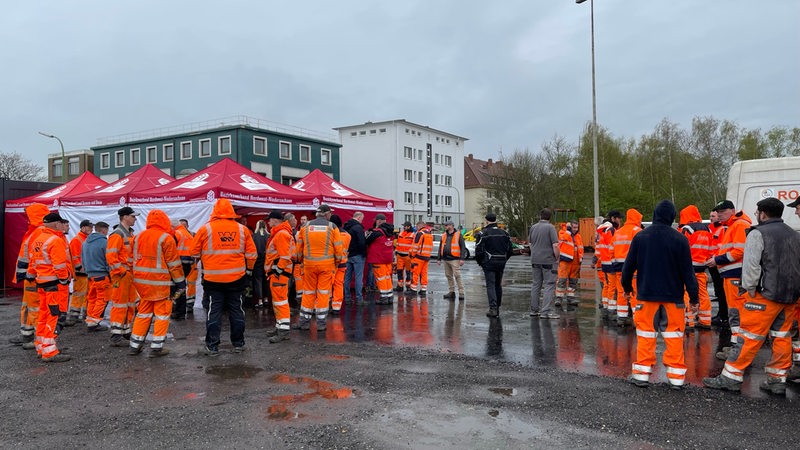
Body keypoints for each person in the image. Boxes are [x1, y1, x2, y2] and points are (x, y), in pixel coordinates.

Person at [703, 197, 800, 395]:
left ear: (763, 213)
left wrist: (749, 289)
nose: (756, 215)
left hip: (765, 295)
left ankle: (731, 377)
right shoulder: (794, 234)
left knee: (749, 336)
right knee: (782, 337)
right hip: (790, 295)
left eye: (757, 212)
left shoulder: (758, 233)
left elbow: (751, 265)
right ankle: (777, 380)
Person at [623, 200, 698, 389]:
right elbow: (688, 273)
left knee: (646, 336)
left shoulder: (641, 237)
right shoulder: (680, 239)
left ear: (655, 214)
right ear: (672, 217)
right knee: (674, 338)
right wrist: (694, 297)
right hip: (674, 299)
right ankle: (676, 378)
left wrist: (626, 288)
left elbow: (628, 267)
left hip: (647, 297)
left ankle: (641, 376)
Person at [192, 199, 257, 356]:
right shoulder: (242, 230)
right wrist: (249, 271)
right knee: (237, 309)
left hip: (213, 280)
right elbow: (252, 254)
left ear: (215, 211)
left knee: (214, 311)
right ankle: (238, 344)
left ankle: (212, 346)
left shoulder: (205, 229)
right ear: (231, 212)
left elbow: (194, 253)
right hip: (237, 278)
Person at [128, 210, 186, 357]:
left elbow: (130, 260)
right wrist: (180, 283)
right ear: (164, 221)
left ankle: (134, 345)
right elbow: (174, 264)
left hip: (141, 283)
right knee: (162, 314)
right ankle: (156, 347)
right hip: (160, 283)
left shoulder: (137, 237)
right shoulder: (166, 238)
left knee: (143, 313)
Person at [705, 200, 752, 360]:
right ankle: (735, 346)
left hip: (735, 275)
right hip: (731, 274)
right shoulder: (733, 225)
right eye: (718, 212)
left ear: (732, 210)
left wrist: (718, 260)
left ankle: (737, 348)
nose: (719, 215)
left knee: (736, 311)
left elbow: (740, 250)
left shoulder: (738, 225)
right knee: (735, 311)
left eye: (723, 212)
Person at [29, 212, 74, 362]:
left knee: (44, 315)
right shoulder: (55, 240)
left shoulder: (38, 239)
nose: (63, 225)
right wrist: (63, 280)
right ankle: (50, 351)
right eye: (62, 223)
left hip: (42, 283)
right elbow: (59, 265)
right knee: (54, 316)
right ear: (56, 224)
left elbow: (33, 263)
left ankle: (41, 346)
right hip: (55, 286)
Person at [294, 204, 345, 331]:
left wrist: (300, 260)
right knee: (323, 293)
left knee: (308, 292)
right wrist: (337, 261)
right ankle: (321, 323)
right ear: (327, 214)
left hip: (309, 265)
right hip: (326, 266)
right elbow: (338, 248)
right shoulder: (332, 227)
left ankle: (304, 321)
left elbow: (299, 247)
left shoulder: (305, 226)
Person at [9, 203, 49, 348]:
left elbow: (35, 256)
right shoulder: (35, 231)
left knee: (35, 308)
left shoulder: (38, 231)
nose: (26, 216)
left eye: (28, 214)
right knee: (28, 306)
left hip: (33, 277)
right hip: (29, 276)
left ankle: (37, 338)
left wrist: (31, 274)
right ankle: (27, 333)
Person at [106, 206, 139, 347]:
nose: (135, 219)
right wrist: (121, 271)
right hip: (121, 275)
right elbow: (111, 256)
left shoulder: (127, 234)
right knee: (120, 304)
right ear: (125, 217)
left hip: (128, 275)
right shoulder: (117, 234)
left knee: (131, 303)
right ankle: (116, 334)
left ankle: (125, 330)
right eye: (133, 216)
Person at [678, 205, 713, 329]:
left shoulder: (686, 229)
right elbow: (711, 249)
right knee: (703, 294)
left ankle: (689, 321)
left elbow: (681, 248)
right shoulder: (708, 229)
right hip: (702, 266)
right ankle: (705, 320)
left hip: (688, 267)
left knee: (686, 293)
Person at [264, 211, 296, 342]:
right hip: (279, 274)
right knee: (278, 301)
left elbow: (284, 257)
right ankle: (279, 327)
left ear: (275, 220)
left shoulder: (281, 234)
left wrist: (277, 271)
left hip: (279, 275)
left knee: (281, 301)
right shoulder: (281, 233)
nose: (268, 222)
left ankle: (283, 331)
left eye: (269, 220)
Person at [475, 213, 513, 318]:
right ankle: (498, 306)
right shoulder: (504, 233)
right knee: (498, 284)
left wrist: (481, 263)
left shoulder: (483, 233)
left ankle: (493, 308)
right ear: (496, 220)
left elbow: (478, 251)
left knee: (490, 285)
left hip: (489, 262)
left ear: (486, 221)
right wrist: (504, 259)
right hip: (501, 261)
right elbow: (510, 250)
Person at [527, 208, 560, 319]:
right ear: (550, 217)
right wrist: (557, 257)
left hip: (535, 259)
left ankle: (534, 310)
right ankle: (546, 311)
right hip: (547, 260)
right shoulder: (550, 228)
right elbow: (555, 245)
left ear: (540, 216)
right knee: (549, 285)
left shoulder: (533, 227)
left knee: (536, 284)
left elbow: (530, 243)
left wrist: (534, 253)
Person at [612, 208, 643, 327]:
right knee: (634, 293)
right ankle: (637, 318)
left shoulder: (618, 232)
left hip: (619, 268)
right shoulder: (637, 231)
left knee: (621, 292)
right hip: (633, 268)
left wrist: (614, 264)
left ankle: (622, 317)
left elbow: (611, 250)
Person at [82, 221, 111, 332]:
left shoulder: (86, 242)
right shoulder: (104, 242)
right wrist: (110, 273)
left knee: (92, 298)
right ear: (104, 230)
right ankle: (94, 322)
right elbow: (108, 260)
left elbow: (83, 258)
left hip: (90, 276)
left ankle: (90, 320)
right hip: (102, 275)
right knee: (102, 299)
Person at [65, 219, 92, 326]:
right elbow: (75, 257)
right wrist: (80, 269)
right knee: (79, 294)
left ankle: (85, 314)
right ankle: (73, 316)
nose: (91, 229)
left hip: (86, 272)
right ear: (82, 228)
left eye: (91, 227)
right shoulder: (77, 240)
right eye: (88, 227)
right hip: (81, 272)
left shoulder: (86, 239)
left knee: (86, 294)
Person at [596, 210, 622, 318]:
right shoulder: (611, 230)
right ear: (613, 218)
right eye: (619, 218)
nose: (620, 220)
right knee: (613, 286)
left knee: (607, 286)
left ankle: (606, 307)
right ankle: (611, 309)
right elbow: (614, 246)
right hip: (611, 262)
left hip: (604, 262)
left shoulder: (603, 230)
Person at [366, 213, 395, 303]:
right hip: (387, 259)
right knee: (387, 278)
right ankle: (389, 296)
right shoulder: (391, 232)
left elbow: (366, 240)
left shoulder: (377, 232)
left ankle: (383, 298)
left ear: (378, 221)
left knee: (380, 278)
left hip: (378, 259)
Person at [555, 220, 583, 309]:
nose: (576, 229)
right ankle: (559, 298)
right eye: (574, 227)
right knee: (562, 280)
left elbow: (580, 248)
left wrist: (580, 259)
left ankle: (571, 298)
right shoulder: (563, 232)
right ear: (570, 227)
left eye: (577, 227)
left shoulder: (578, 236)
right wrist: (568, 230)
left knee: (573, 281)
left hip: (575, 261)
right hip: (565, 260)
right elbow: (563, 239)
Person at [172, 218, 196, 319]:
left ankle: (178, 311)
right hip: (188, 264)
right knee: (181, 287)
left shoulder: (177, 233)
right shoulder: (188, 234)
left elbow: (170, 249)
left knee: (177, 288)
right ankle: (180, 311)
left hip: (179, 263)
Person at [438, 220, 466, 300]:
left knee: (457, 275)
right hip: (446, 259)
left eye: (447, 225)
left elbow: (462, 247)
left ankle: (461, 292)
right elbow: (440, 247)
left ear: (452, 226)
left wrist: (462, 258)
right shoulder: (444, 235)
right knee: (448, 276)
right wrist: (439, 258)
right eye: (445, 225)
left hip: (455, 259)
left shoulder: (458, 235)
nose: (446, 227)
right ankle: (451, 292)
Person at [343, 211, 367, 305]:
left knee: (347, 277)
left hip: (348, 255)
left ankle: (347, 298)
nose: (362, 221)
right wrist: (364, 253)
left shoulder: (346, 226)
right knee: (358, 278)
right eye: (362, 219)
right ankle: (359, 298)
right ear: (358, 217)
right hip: (357, 255)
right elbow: (361, 242)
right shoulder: (358, 228)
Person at [329, 214, 350, 314]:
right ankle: (336, 307)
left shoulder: (332, 234)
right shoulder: (347, 235)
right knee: (339, 284)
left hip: (332, 263)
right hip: (343, 263)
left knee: (327, 284)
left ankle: (323, 305)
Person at [409, 221, 434, 295]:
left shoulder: (420, 233)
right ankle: (423, 289)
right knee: (424, 273)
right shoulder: (429, 234)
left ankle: (413, 289)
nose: (416, 228)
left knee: (415, 273)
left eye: (416, 226)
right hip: (426, 257)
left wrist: (412, 255)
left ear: (419, 226)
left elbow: (415, 246)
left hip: (418, 257)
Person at [251, 219, 269, 309]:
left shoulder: (254, 236)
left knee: (258, 281)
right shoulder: (269, 235)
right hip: (267, 261)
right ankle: (266, 299)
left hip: (257, 261)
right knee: (266, 281)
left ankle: (260, 300)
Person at [394, 221, 415, 291]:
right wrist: (396, 251)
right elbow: (398, 243)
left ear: (409, 227)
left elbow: (413, 246)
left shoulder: (412, 235)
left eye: (405, 226)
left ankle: (408, 286)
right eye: (404, 226)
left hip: (408, 256)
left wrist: (411, 254)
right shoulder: (401, 234)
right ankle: (400, 286)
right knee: (399, 271)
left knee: (408, 272)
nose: (404, 227)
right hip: (400, 256)